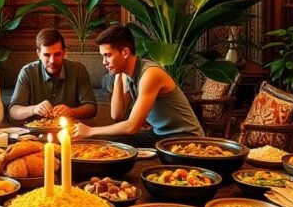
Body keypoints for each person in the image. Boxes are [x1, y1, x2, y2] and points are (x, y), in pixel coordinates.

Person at [72, 25, 203, 147]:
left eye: (108, 55)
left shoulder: (151, 74)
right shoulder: (127, 73)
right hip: (160, 135)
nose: (104, 62)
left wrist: (90, 131)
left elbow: (132, 126)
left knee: (108, 142)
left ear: (125, 52)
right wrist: (118, 75)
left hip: (186, 138)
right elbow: (117, 115)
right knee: (110, 143)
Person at [8, 28, 97, 123]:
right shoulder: (28, 72)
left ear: (64, 52)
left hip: (69, 132)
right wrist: (34, 109)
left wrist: (72, 112)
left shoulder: (78, 70)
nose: (52, 61)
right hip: (35, 133)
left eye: (57, 54)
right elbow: (13, 111)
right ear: (38, 54)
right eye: (47, 55)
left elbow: (92, 109)